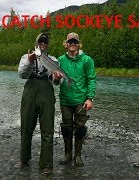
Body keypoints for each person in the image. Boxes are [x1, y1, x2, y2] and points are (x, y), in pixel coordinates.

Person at [15, 33, 61, 174]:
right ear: (36, 43)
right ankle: (24, 158)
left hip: (46, 93)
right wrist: (30, 60)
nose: (43, 43)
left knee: (47, 129)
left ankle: (46, 164)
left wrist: (58, 79)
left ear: (47, 44)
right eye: (40, 41)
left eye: (45, 42)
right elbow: (22, 75)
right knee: (26, 127)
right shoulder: (25, 56)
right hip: (29, 92)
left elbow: (57, 82)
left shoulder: (53, 60)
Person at [57, 32, 96, 167]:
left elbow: (91, 79)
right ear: (66, 44)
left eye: (75, 42)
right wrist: (56, 79)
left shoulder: (87, 60)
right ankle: (67, 155)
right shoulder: (60, 60)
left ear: (79, 44)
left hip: (81, 100)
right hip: (65, 100)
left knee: (80, 128)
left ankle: (77, 156)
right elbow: (57, 81)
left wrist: (90, 98)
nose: (72, 44)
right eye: (70, 42)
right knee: (66, 128)